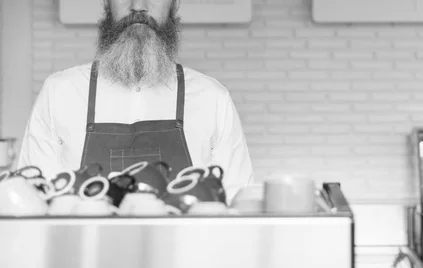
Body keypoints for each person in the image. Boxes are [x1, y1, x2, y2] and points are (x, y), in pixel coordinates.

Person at [17, 0, 254, 203]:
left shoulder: (212, 98)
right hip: (85, 254)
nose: (138, 6)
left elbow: (234, 203)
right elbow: (36, 203)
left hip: (186, 254)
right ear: (106, 2)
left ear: (174, 3)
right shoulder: (59, 92)